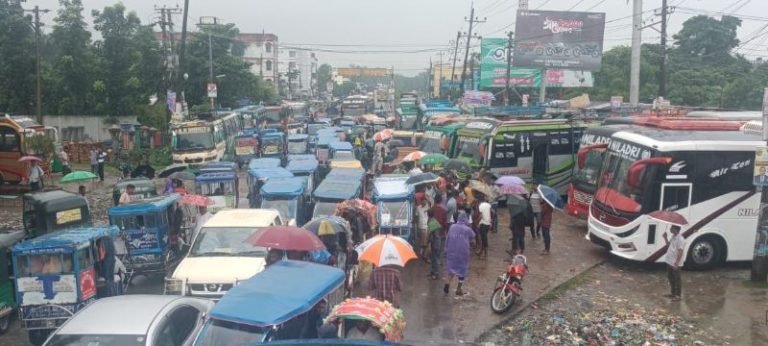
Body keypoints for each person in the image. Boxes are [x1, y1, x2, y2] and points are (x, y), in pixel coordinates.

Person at [443, 212, 475, 296]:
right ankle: (458, 289)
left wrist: (445, 249)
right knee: (462, 271)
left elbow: (447, 238)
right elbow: (473, 239)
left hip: (451, 251)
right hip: (462, 253)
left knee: (451, 269)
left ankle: (447, 283)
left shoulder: (452, 227)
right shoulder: (467, 229)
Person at [663, 224, 685, 301]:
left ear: (676, 229)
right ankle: (673, 293)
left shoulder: (680, 239)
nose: (670, 229)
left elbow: (680, 251)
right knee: (670, 277)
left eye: (671, 228)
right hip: (670, 261)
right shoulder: (673, 237)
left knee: (677, 279)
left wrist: (676, 263)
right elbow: (669, 245)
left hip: (675, 263)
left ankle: (678, 296)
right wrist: (665, 238)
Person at [427, 209, 442, 280]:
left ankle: (436, 274)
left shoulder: (431, 222)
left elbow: (430, 235)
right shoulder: (435, 221)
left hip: (434, 242)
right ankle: (432, 272)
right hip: (437, 241)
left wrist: (428, 244)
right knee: (433, 258)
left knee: (434, 258)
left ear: (428, 214)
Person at [416, 195, 430, 259]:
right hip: (420, 226)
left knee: (425, 240)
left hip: (426, 226)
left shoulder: (428, 207)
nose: (424, 202)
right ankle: (422, 252)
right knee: (421, 240)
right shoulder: (418, 208)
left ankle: (423, 254)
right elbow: (416, 216)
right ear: (421, 201)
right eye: (423, 201)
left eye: (425, 201)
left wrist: (428, 199)